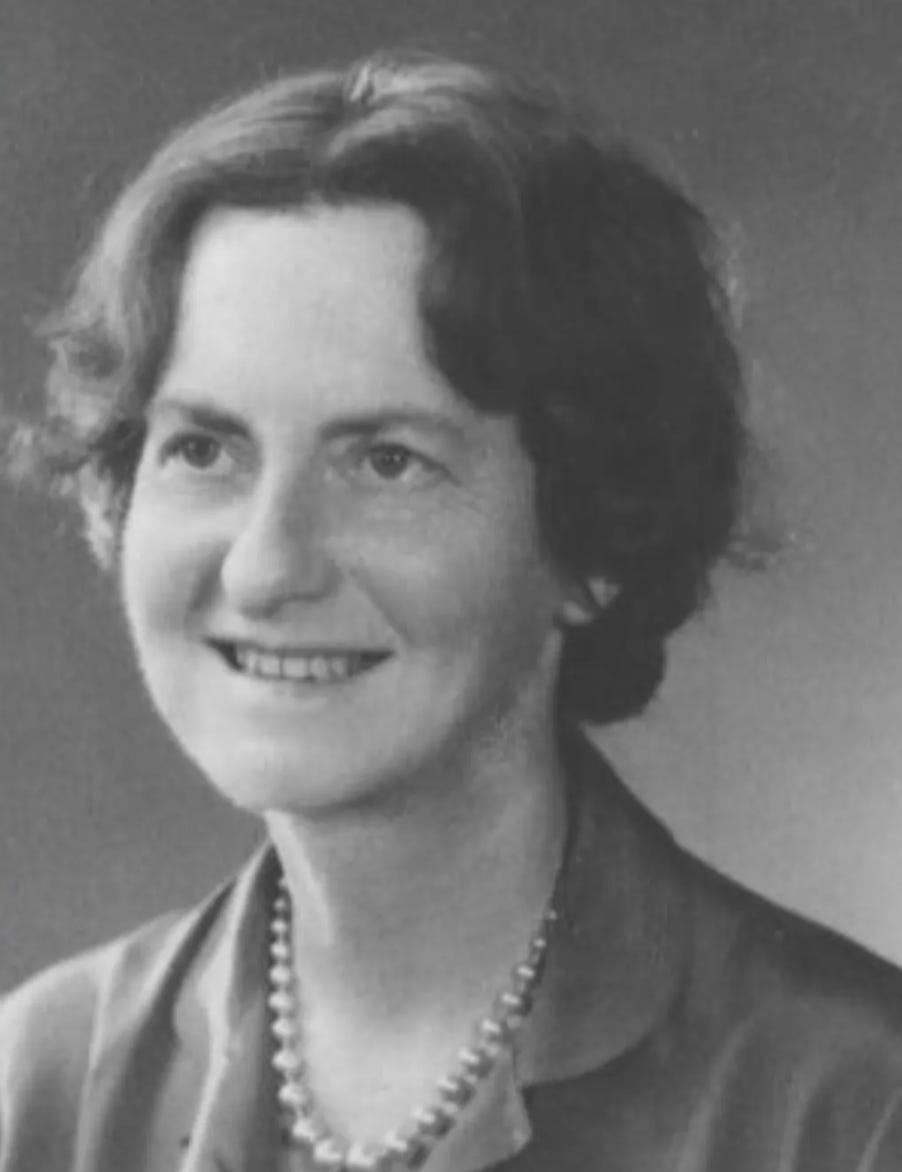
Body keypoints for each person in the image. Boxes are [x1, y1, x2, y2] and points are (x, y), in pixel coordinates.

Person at [2, 50, 901, 1172]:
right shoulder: (39, 1080)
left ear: (595, 540)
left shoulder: (850, 1106)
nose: (266, 567)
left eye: (387, 460)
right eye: (203, 448)